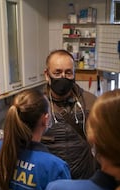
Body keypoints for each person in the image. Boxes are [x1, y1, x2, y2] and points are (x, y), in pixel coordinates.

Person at [42, 49, 98, 179]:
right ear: (47, 74)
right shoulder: (38, 105)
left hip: (84, 180)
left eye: (68, 72)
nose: (63, 77)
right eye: (57, 72)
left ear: (74, 74)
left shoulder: (91, 102)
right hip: (51, 182)